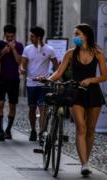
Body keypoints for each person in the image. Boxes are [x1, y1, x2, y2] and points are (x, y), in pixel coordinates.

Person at [48, 23, 107, 176]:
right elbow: (59, 73)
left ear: (86, 35)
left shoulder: (98, 53)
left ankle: (86, 160)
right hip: (75, 93)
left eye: (77, 34)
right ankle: (84, 164)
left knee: (91, 130)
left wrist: (90, 80)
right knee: (81, 128)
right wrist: (47, 79)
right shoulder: (70, 53)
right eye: (75, 34)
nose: (75, 37)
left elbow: (104, 76)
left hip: (93, 93)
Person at [20, 26, 59, 141]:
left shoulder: (49, 50)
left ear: (39, 37)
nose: (30, 38)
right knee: (32, 108)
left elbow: (57, 67)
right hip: (31, 83)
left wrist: (52, 78)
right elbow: (23, 64)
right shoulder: (27, 49)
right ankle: (33, 130)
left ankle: (42, 132)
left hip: (43, 84)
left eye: (32, 36)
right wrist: (22, 69)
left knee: (43, 108)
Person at [0, 24, 24, 141]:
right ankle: (0, 130)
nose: (10, 39)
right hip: (1, 79)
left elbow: (19, 61)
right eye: (8, 37)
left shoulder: (19, 45)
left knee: (12, 105)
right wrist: (3, 51)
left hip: (14, 79)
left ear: (14, 35)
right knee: (0, 104)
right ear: (4, 34)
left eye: (12, 37)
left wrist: (12, 49)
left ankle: (8, 130)